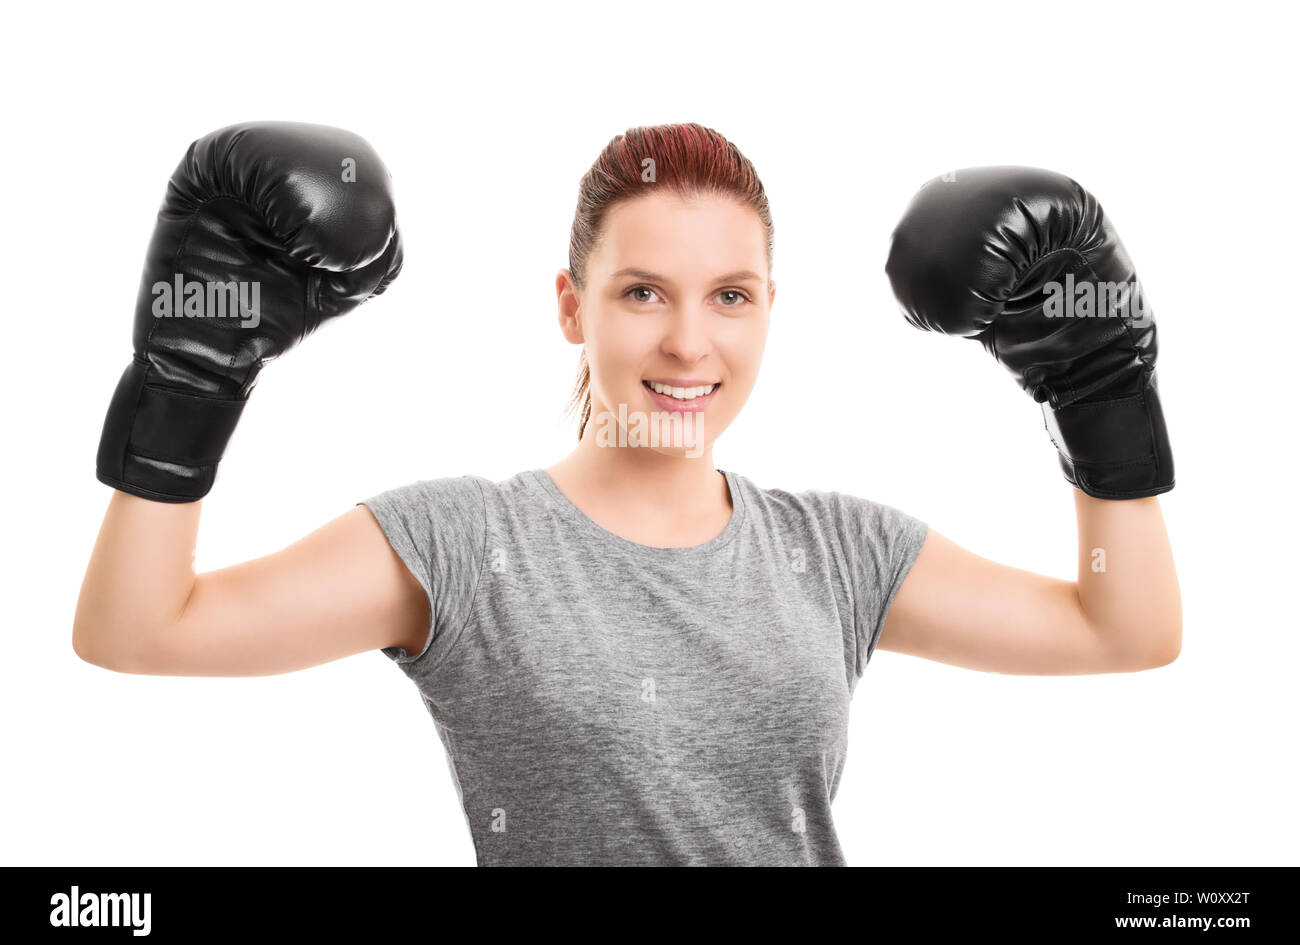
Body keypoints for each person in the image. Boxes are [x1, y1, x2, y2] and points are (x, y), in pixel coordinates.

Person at [73, 121, 1181, 866]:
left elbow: (1122, 626)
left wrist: (1100, 393)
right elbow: (137, 628)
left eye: (731, 296)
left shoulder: (837, 549)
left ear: (767, 309)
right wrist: (192, 379)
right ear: (572, 305)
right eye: (643, 290)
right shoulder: (464, 542)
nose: (690, 341)